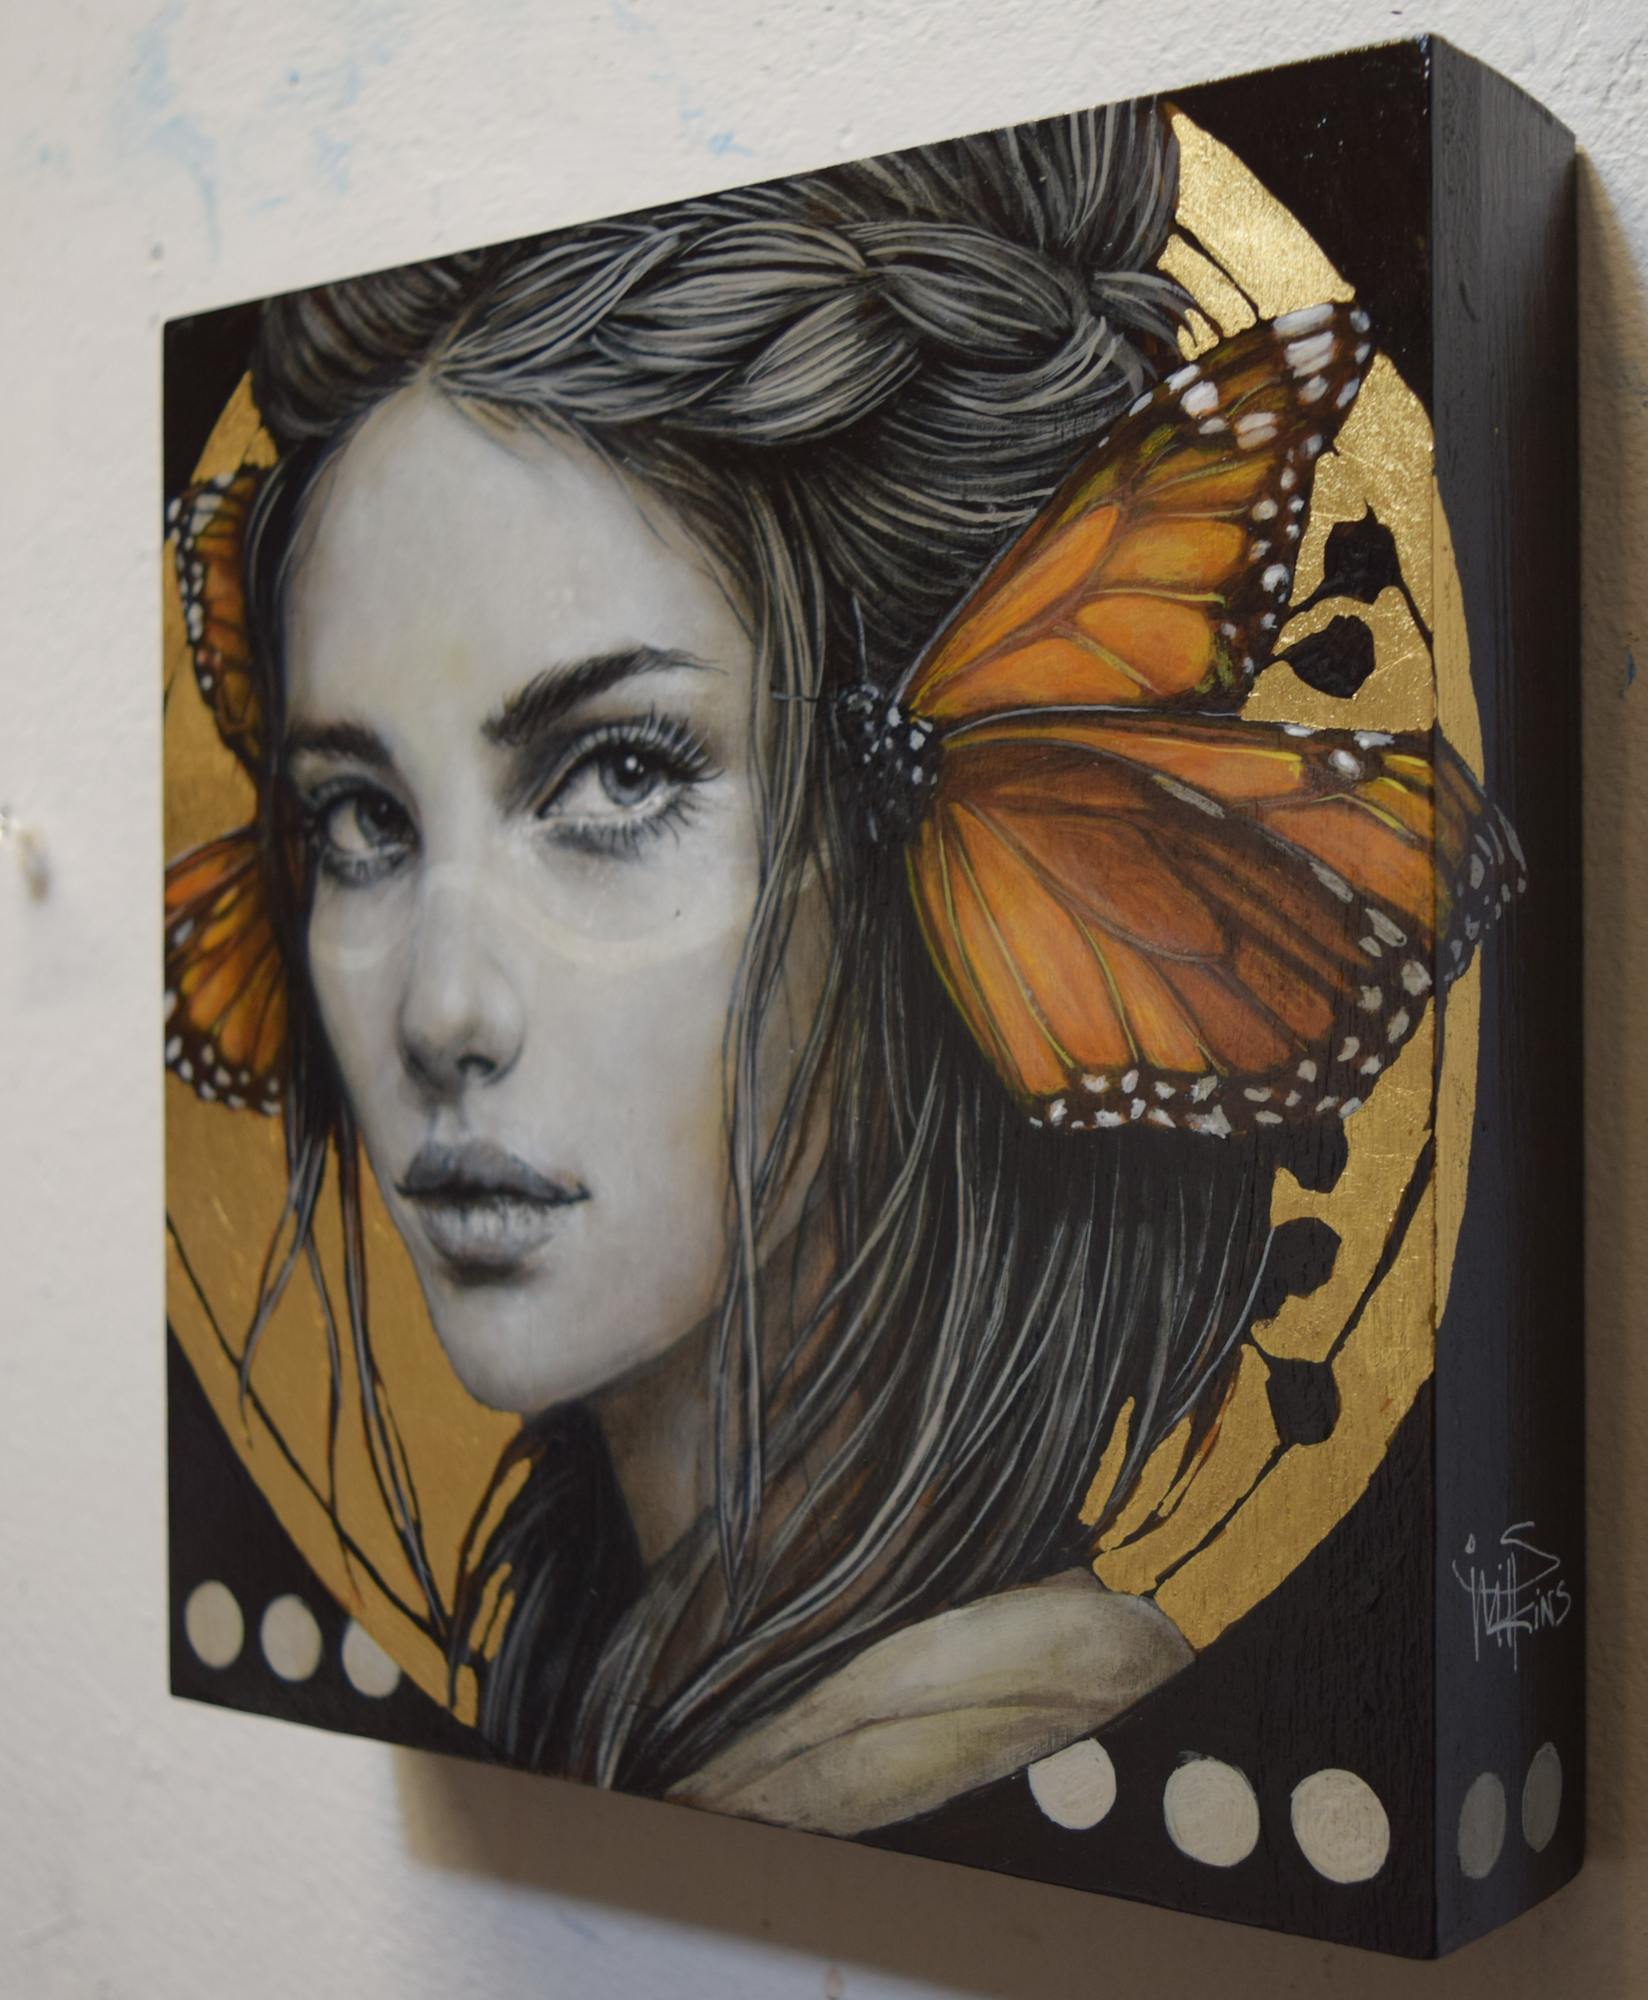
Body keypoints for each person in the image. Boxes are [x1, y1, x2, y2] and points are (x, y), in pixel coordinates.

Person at [178, 99, 1322, 1833]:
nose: (439, 1013)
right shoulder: (624, 1704)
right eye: (358, 819)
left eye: (618, 776)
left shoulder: (1000, 1745)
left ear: (903, 829)